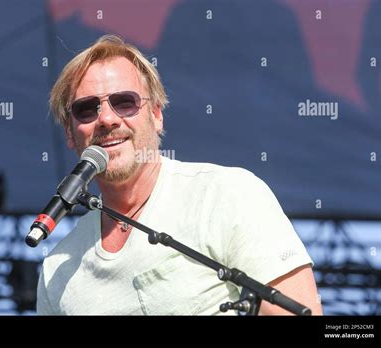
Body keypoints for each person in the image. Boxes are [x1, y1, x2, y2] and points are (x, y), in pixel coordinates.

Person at [37, 34, 322, 315]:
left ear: (157, 115)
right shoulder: (56, 271)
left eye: (124, 101)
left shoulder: (227, 195)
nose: (107, 119)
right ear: (70, 135)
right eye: (86, 109)